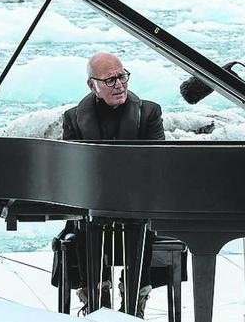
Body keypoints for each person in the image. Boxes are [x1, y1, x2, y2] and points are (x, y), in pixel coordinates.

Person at [61, 52, 164, 318]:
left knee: (141, 222)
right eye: (109, 80)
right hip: (92, 206)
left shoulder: (149, 112)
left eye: (122, 76)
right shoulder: (73, 118)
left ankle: (135, 299)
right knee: (82, 222)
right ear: (91, 85)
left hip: (138, 204)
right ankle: (96, 296)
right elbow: (70, 172)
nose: (119, 84)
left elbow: (160, 163)